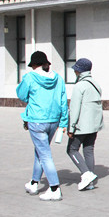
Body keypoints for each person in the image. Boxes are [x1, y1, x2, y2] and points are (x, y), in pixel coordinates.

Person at [17, 51, 69, 201]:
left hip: (37, 120)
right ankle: (34, 183)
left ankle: (54, 188)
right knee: (40, 151)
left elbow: (21, 95)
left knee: (45, 154)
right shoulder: (58, 78)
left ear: (34, 64)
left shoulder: (30, 77)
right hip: (53, 121)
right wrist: (63, 123)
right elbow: (63, 102)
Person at [66, 58, 103, 191]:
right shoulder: (95, 84)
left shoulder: (79, 86)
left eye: (75, 69)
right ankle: (90, 182)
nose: (74, 72)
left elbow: (74, 108)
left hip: (81, 126)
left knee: (71, 150)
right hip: (94, 125)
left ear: (79, 71)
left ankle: (86, 174)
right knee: (88, 150)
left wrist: (71, 127)